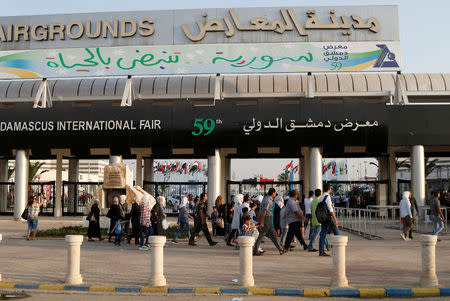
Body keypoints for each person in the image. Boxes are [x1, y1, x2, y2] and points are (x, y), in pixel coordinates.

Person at [253, 188, 285, 256]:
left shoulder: (267, 199)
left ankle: (281, 249)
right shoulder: (268, 200)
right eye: (275, 192)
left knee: (274, 235)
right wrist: (262, 222)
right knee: (262, 235)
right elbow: (264, 211)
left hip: (269, 219)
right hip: (267, 219)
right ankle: (255, 250)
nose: (275, 194)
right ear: (273, 192)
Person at [318, 183, 340, 257]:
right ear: (329, 189)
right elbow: (330, 210)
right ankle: (337, 250)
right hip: (328, 218)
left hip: (323, 218)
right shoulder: (327, 197)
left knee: (323, 234)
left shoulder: (321, 197)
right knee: (337, 233)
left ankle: (321, 251)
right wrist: (335, 219)